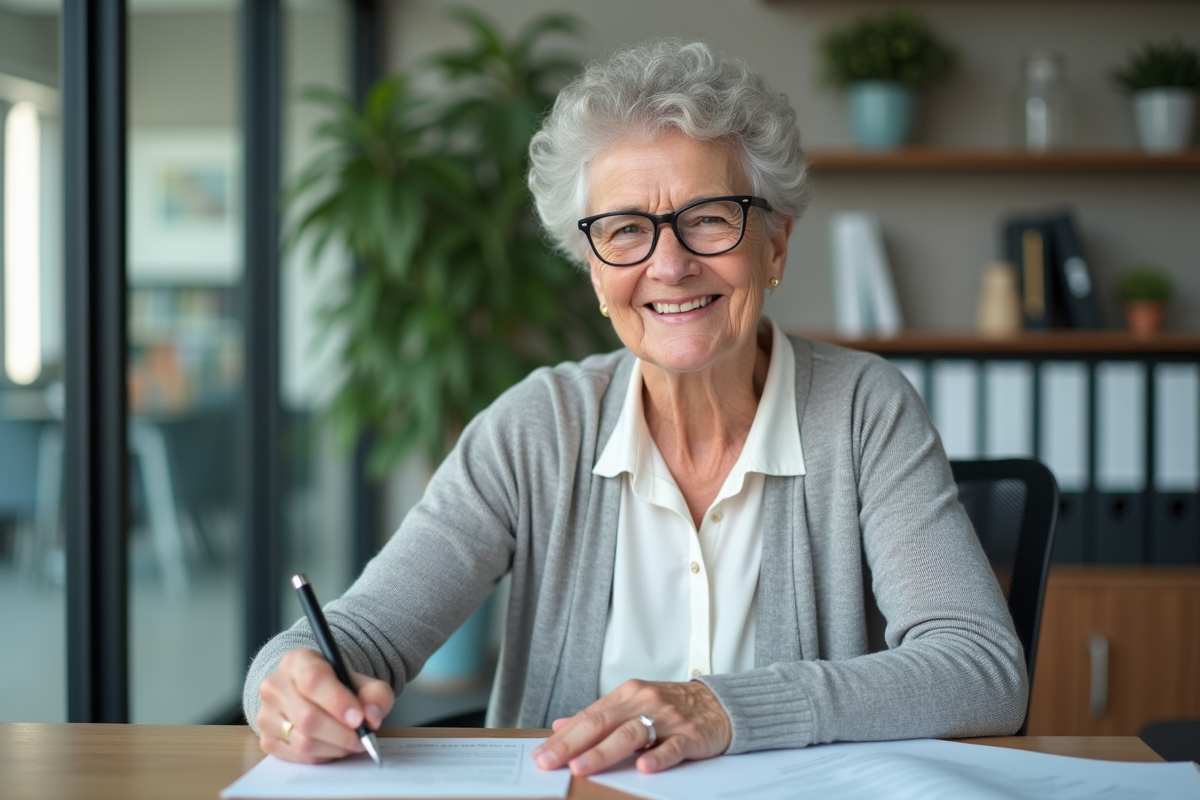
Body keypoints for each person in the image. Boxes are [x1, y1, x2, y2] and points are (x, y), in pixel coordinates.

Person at [243, 38, 1027, 777]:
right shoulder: (536, 428)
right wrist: (288, 685)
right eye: (625, 230)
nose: (670, 264)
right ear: (595, 271)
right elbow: (359, 635)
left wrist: (720, 707)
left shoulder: (863, 411)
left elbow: (981, 667)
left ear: (776, 245)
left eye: (709, 218)